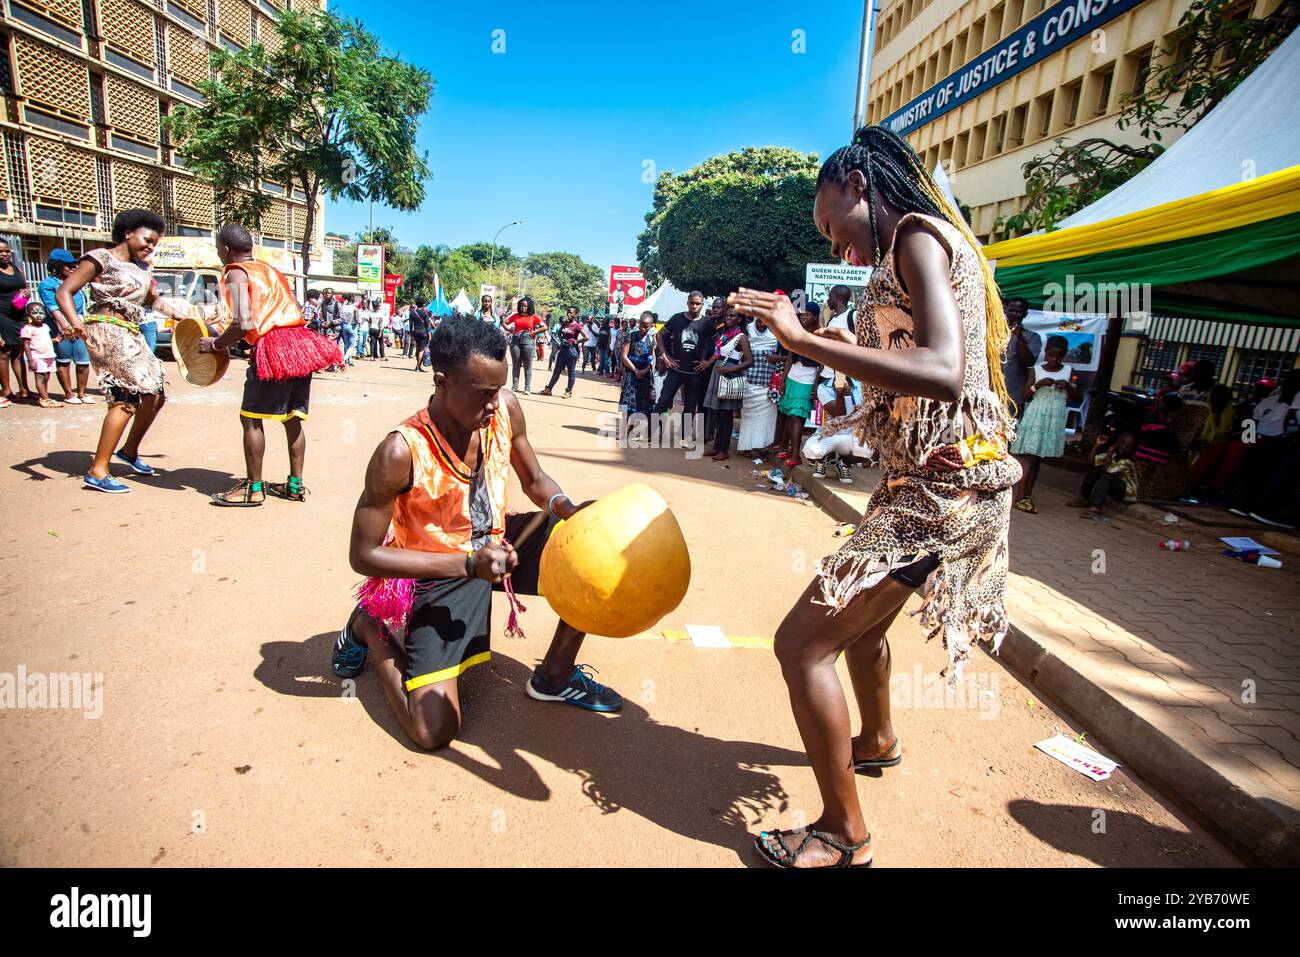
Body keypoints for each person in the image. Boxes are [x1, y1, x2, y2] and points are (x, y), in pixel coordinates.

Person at [729, 124, 1020, 868]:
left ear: (860, 185)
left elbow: (945, 370)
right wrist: (809, 329)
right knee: (860, 625)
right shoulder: (903, 252)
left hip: (943, 494)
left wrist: (801, 342)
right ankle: (878, 737)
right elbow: (894, 350)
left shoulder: (919, 236)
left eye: (834, 227)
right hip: (927, 486)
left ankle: (842, 832)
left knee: (800, 644)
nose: (837, 250)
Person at [332, 314, 623, 750]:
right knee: (433, 732)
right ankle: (369, 626)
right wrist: (468, 564)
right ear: (442, 380)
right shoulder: (399, 451)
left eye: (498, 390)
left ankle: (554, 678)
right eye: (482, 393)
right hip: (439, 570)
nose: (494, 404)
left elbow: (534, 478)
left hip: (499, 547)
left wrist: (567, 509)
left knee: (596, 560)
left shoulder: (504, 406)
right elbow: (364, 555)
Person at [200, 223, 342, 506]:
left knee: (250, 417)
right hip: (300, 345)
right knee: (293, 418)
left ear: (226, 250)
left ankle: (253, 489)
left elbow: (244, 323)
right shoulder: (270, 270)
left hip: (273, 347)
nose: (219, 255)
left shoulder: (236, 272)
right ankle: (294, 485)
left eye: (218, 250)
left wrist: (215, 344)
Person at [55, 210, 191, 492]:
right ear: (128, 232)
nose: (150, 246)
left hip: (131, 332)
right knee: (126, 397)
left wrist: (183, 318)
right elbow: (64, 292)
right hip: (105, 330)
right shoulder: (100, 258)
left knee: (156, 396)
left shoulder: (144, 268)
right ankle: (97, 470)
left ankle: (129, 451)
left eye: (155, 243)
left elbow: (154, 301)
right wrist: (76, 323)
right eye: (147, 239)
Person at [1010, 335, 1079, 513]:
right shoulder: (1036, 370)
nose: (1054, 360)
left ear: (1064, 355)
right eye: (1051, 355)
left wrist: (1069, 387)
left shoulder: (1069, 371)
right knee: (1030, 458)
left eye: (1059, 356)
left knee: (1037, 459)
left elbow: (1077, 398)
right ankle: (1021, 496)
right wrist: (1038, 385)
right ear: (1046, 352)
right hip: (1035, 419)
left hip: (1052, 420)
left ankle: (1025, 495)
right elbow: (1025, 395)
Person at [654, 291, 713, 445]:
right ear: (687, 303)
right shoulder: (677, 318)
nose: (695, 306)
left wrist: (707, 361)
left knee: (690, 405)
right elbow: (659, 335)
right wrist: (665, 357)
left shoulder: (707, 323)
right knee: (663, 401)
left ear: (702, 304)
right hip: (676, 369)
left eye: (698, 303)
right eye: (692, 303)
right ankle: (651, 431)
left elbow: (718, 344)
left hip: (695, 372)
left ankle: (684, 436)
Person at [39, 249, 93, 404]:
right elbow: (53, 307)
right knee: (64, 361)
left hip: (78, 326)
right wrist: (65, 327)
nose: (73, 269)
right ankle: (69, 394)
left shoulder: (75, 283)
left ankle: (82, 393)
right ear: (57, 266)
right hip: (61, 328)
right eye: (68, 266)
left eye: (74, 265)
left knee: (83, 361)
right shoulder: (48, 284)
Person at [773, 303, 823, 467]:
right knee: (789, 415)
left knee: (796, 416)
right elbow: (789, 358)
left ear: (815, 317)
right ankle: (790, 449)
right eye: (802, 315)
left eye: (807, 315)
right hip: (793, 376)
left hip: (807, 379)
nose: (803, 318)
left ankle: (796, 454)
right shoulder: (796, 333)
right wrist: (783, 379)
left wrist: (816, 383)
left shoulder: (819, 336)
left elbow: (822, 362)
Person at [702, 305, 752, 461]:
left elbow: (750, 361)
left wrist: (730, 371)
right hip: (719, 374)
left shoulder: (741, 337)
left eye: (732, 316)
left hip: (729, 375)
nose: (728, 318)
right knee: (718, 413)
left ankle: (724, 449)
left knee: (726, 415)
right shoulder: (725, 334)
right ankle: (716, 447)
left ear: (740, 318)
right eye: (727, 316)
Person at [1068, 430, 1140, 517]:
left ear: (1133, 449)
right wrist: (1097, 444)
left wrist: (1110, 451)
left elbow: (1107, 471)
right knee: (1095, 469)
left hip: (1125, 494)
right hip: (1113, 485)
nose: (1123, 447)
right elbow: (1091, 461)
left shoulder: (1127, 462)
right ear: (1117, 442)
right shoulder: (1114, 455)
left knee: (1107, 475)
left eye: (1128, 446)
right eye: (1122, 443)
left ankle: (1096, 507)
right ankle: (1084, 498)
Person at [737, 316, 782, 456]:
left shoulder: (775, 336)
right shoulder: (747, 333)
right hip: (749, 383)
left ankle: (761, 447)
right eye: (758, 321)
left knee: (767, 419)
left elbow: (786, 357)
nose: (762, 324)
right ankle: (747, 447)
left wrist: (776, 358)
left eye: (765, 322)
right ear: (754, 321)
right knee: (748, 418)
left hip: (768, 386)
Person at [0, 237, 30, 405]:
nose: (4, 254)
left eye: (7, 251)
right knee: (4, 352)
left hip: (19, 314)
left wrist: (26, 294)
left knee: (19, 352)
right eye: (1, 252)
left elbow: (24, 287)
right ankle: (6, 389)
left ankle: (24, 388)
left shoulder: (17, 269)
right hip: (2, 315)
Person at [999, 296, 1039, 417]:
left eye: (1018, 312)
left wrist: (1019, 336)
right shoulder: (994, 332)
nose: (1014, 314)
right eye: (1011, 310)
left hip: (1012, 395)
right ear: (1004, 310)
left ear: (1025, 314)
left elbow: (1029, 362)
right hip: (988, 391)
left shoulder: (1032, 337)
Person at [18, 297, 60, 408]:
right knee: (40, 377)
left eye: (41, 313)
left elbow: (44, 339)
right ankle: (46, 399)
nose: (38, 315)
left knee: (46, 376)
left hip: (49, 355)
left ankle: (43, 396)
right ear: (29, 315)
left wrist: (56, 339)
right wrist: (30, 360)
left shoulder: (45, 327)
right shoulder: (27, 328)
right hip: (38, 356)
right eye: (35, 313)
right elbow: (26, 344)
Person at [539, 305, 583, 398]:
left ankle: (568, 391)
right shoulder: (564, 324)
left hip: (572, 351)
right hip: (563, 350)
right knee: (556, 371)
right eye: (568, 312)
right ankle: (549, 389)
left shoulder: (577, 326)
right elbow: (559, 332)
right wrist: (560, 340)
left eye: (571, 312)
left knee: (571, 371)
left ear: (575, 314)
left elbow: (587, 337)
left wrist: (576, 341)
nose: (569, 314)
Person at [503, 295, 544, 394]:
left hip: (528, 342)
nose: (523, 308)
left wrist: (534, 332)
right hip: (515, 341)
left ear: (529, 307)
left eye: (525, 306)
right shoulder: (516, 315)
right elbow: (504, 322)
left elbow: (544, 327)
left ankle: (527, 388)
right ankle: (514, 386)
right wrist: (510, 330)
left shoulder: (533, 317)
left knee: (527, 366)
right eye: (521, 306)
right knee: (516, 365)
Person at [618, 311, 657, 415]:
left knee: (643, 404)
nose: (643, 329)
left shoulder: (651, 340)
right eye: (641, 326)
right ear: (639, 323)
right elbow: (624, 356)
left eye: (646, 327)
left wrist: (646, 370)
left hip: (645, 376)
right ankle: (626, 428)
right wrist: (635, 370)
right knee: (628, 405)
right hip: (630, 374)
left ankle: (638, 428)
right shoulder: (631, 336)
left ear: (651, 326)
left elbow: (652, 358)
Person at [407, 296, 433, 372]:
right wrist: (429, 334)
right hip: (423, 332)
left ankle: (418, 366)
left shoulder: (412, 313)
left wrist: (411, 333)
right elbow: (427, 325)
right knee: (422, 350)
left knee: (418, 349)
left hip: (415, 332)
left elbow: (411, 324)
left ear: (416, 304)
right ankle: (418, 367)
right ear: (423, 304)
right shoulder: (425, 313)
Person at [337, 293, 358, 367]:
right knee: (352, 345)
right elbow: (357, 319)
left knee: (346, 344)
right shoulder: (354, 308)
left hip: (344, 326)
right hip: (352, 326)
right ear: (352, 299)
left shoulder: (343, 307)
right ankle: (345, 359)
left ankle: (349, 360)